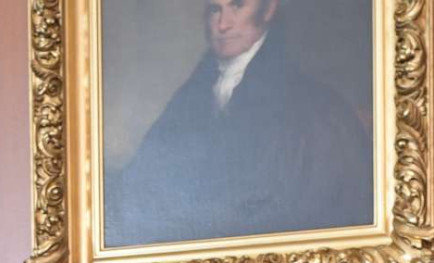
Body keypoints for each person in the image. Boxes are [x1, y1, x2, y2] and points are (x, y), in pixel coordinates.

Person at [105, 0, 373, 248]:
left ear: (268, 10)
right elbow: (144, 181)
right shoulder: (194, 93)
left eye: (237, 6)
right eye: (214, 9)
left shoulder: (313, 110)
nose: (222, 24)